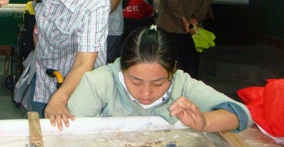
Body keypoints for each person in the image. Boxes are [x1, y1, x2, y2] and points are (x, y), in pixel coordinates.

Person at [68, 25, 252, 133]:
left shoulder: (181, 84)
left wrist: (205, 122)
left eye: (158, 83)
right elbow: (68, 135)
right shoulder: (98, 83)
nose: (146, 93)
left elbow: (240, 114)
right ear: (122, 68)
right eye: (136, 82)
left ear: (173, 71)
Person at [17, 0, 109, 130]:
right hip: (42, 76)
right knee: (36, 134)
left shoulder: (95, 0)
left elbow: (84, 63)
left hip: (77, 87)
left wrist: (60, 98)